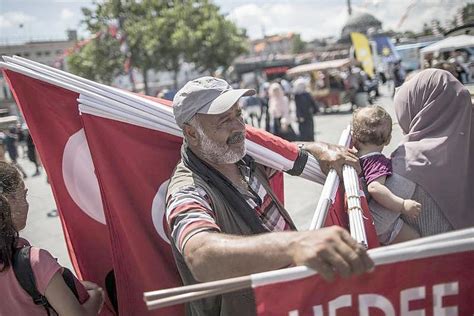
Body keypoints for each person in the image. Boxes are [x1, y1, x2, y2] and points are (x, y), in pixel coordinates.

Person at [166, 76, 374, 316]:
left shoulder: (245, 158)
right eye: (224, 121)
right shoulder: (187, 189)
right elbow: (200, 255)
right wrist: (296, 244)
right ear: (192, 133)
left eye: (238, 115)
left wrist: (319, 149)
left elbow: (285, 151)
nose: (239, 128)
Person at [369, 69, 474, 238]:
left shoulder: (412, 161)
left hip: (440, 258)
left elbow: (376, 224)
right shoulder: (467, 142)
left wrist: (411, 237)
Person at [0, 161, 104, 315]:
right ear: (8, 203)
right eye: (24, 195)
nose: (27, 204)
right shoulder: (34, 261)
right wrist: (97, 295)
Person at [352, 106, 421, 245]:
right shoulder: (376, 162)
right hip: (384, 228)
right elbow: (375, 187)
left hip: (361, 217)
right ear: (388, 140)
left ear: (354, 138)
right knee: (416, 239)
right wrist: (402, 205)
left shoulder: (355, 157)